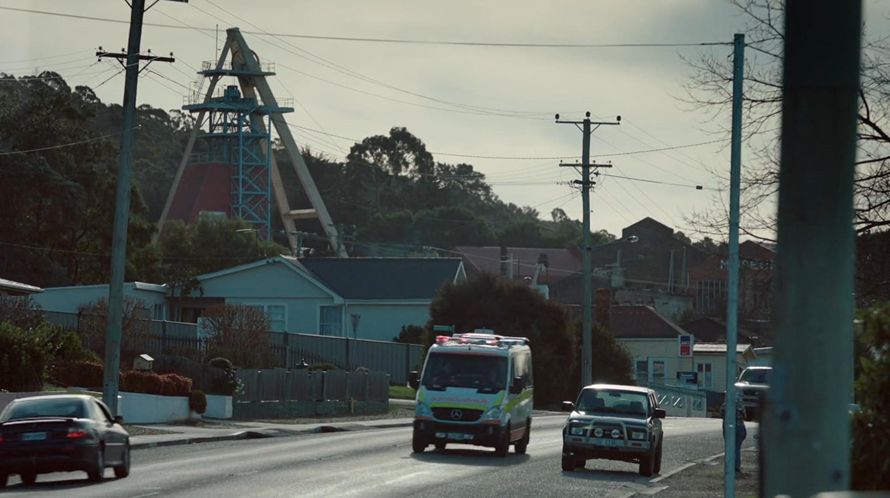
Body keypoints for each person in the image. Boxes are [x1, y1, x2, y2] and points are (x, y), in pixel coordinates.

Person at [721, 392, 747, 473]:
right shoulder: (740, 405)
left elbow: (721, 414)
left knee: (729, 448)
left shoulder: (725, 405)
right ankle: (736, 467)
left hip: (729, 428)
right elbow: (745, 416)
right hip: (740, 427)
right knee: (737, 448)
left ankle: (730, 466)